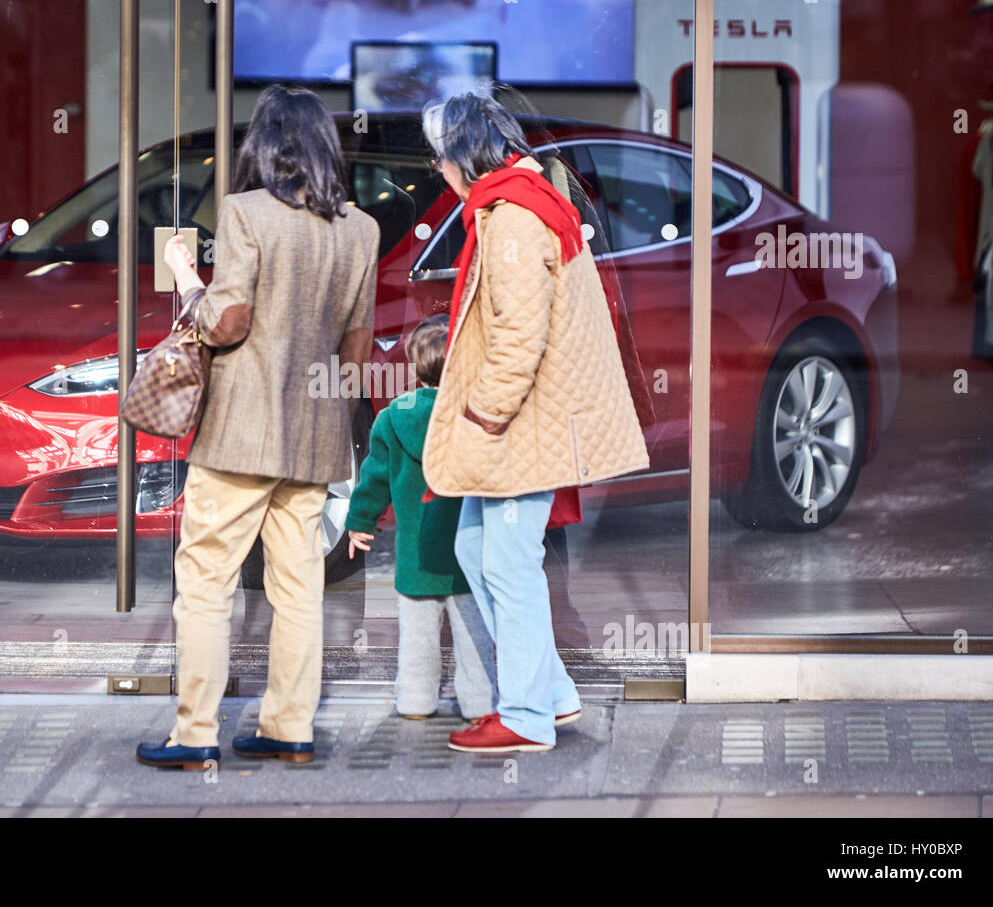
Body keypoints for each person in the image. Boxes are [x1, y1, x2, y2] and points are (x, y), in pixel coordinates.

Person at [137, 84, 380, 770]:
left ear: (264, 148)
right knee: (299, 583)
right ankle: (289, 727)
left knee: (206, 579)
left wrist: (188, 283)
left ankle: (194, 736)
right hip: (315, 432)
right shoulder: (361, 229)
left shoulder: (244, 212)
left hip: (243, 429)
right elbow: (358, 343)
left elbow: (230, 319)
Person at [420, 93, 651, 753]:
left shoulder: (514, 216)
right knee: (476, 550)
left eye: (442, 156)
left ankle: (524, 716)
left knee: (509, 565)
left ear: (468, 152)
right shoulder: (516, 202)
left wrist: (484, 414)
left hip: (522, 424)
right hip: (521, 422)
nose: (438, 169)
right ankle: (551, 693)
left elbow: (520, 335)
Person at [343, 314, 496, 723]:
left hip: (415, 556)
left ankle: (414, 702)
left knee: (417, 640)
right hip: (467, 556)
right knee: (474, 639)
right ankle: (481, 705)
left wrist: (360, 522)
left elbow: (373, 479)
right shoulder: (472, 417)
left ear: (414, 365)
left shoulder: (393, 418)